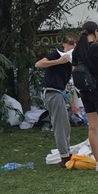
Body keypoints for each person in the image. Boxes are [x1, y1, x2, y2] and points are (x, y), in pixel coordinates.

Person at [72, 21, 98, 174]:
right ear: (96, 31)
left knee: (92, 128)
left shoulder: (77, 51)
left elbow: (74, 71)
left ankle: (97, 162)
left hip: (85, 92)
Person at [36, 34, 80, 168]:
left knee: (65, 124)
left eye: (75, 44)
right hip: (52, 92)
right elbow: (39, 64)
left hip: (59, 92)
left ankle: (66, 151)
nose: (73, 46)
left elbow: (66, 84)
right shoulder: (57, 55)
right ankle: (64, 156)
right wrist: (58, 61)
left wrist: (72, 103)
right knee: (60, 124)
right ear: (64, 44)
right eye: (71, 43)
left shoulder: (69, 61)